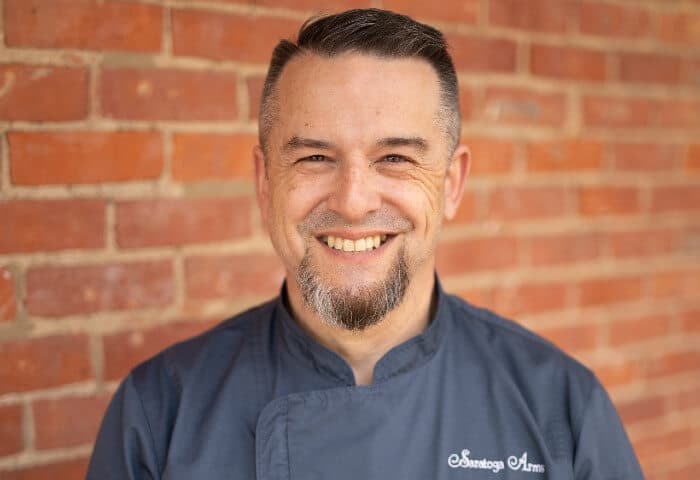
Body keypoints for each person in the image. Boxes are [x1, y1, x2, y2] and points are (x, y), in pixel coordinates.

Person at [87, 9, 644, 480]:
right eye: (313, 157)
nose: (353, 202)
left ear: (451, 184)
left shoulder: (563, 410)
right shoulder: (159, 414)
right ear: (264, 183)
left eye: (396, 158)